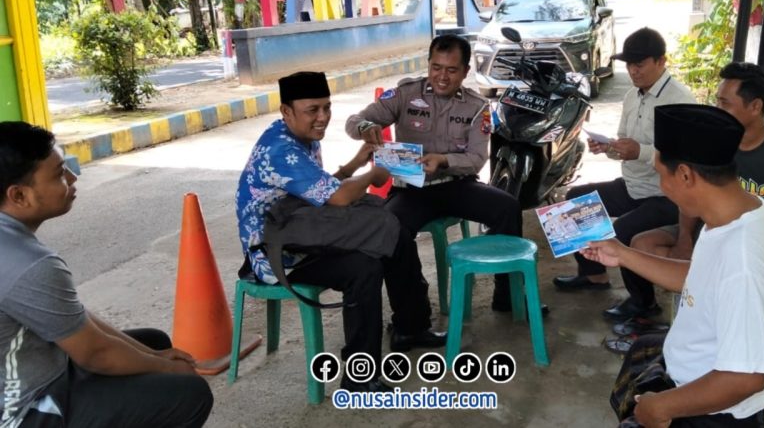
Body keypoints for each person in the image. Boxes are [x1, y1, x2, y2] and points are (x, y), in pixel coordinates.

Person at [582, 104, 764, 427]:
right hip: (697, 374)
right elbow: (700, 278)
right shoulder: (739, 211)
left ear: (684, 175)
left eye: (660, 174)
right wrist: (622, 254)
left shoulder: (743, 260)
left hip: (724, 412)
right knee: (643, 349)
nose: (661, 186)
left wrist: (661, 407)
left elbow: (746, 376)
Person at [235, 71, 445, 392]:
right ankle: (360, 376)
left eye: (327, 107)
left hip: (303, 228)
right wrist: (374, 174)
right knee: (365, 265)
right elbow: (340, 197)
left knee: (393, 232)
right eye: (312, 110)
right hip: (276, 253)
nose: (322, 118)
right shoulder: (280, 150)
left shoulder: (303, 137)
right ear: (286, 111)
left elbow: (319, 190)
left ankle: (410, 327)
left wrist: (355, 164)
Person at [0, 121, 213, 427]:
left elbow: (74, 318)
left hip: (43, 368)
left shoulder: (11, 242)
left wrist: (156, 357)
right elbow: (94, 354)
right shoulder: (28, 264)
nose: (72, 178)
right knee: (188, 394)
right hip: (21, 411)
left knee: (154, 342)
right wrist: (167, 368)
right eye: (59, 174)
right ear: (19, 195)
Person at [344, 34, 523, 312]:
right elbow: (353, 121)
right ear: (428, 64)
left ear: (465, 71)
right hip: (411, 190)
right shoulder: (405, 94)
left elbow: (477, 159)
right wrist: (365, 127)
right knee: (391, 230)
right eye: (436, 67)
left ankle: (509, 298)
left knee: (508, 207)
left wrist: (443, 160)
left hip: (457, 186)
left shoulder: (477, 106)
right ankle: (412, 319)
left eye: (451, 70)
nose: (442, 77)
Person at [552, 27, 695, 322]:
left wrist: (639, 151)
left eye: (639, 64)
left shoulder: (680, 100)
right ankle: (594, 274)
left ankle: (644, 302)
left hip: (665, 195)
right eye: (629, 64)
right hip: (633, 185)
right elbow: (624, 142)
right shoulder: (632, 95)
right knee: (576, 199)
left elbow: (685, 159)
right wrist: (608, 147)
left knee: (624, 232)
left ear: (661, 61)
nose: (633, 71)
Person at [631, 61, 764, 273]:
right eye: (717, 101)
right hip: (711, 225)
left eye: (724, 103)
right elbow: (690, 194)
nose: (717, 110)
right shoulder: (711, 138)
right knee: (642, 245)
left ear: (755, 106)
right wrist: (684, 239)